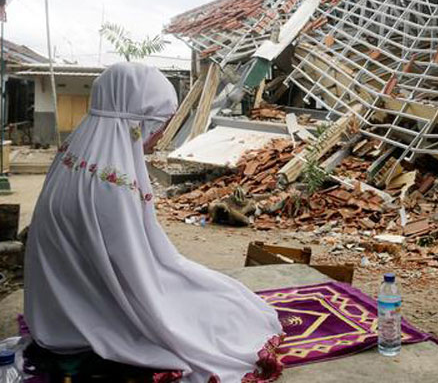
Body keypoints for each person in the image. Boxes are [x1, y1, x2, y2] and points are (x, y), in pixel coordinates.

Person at [23, 63, 283, 383]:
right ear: (136, 120)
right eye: (159, 123)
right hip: (88, 314)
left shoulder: (76, 155)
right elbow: (134, 273)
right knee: (223, 310)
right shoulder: (111, 184)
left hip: (55, 309)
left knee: (211, 292)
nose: (159, 134)